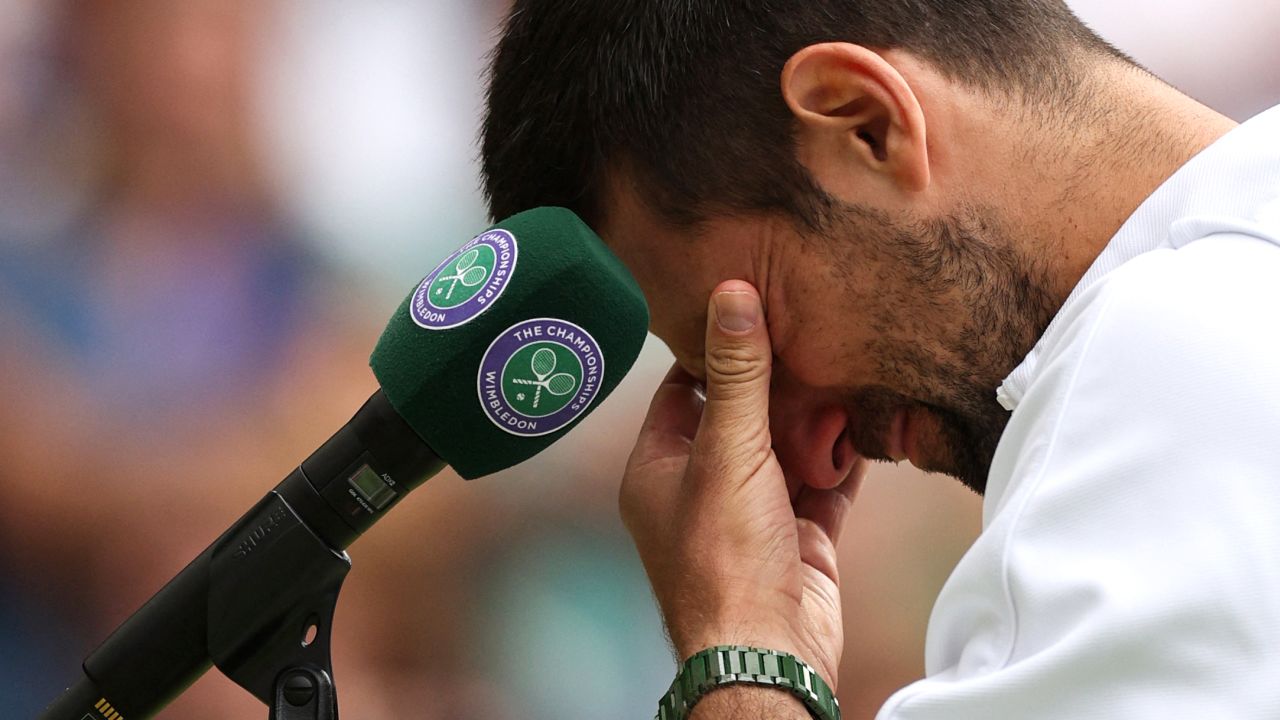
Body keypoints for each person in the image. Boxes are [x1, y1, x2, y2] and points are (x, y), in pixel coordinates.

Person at [480, 1, 1280, 718]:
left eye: (760, 344)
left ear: (865, 123)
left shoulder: (1159, 361)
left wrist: (742, 660)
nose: (812, 462)